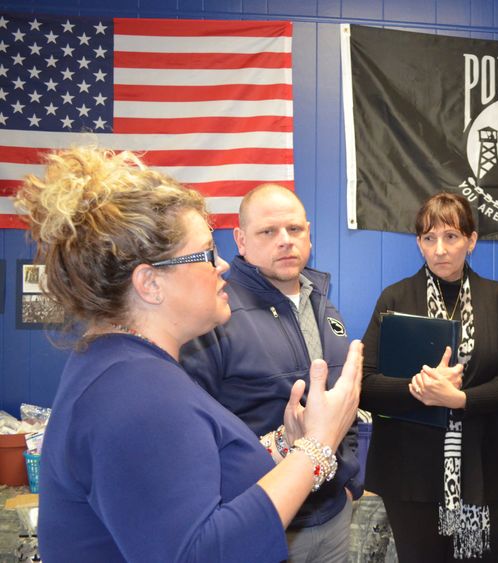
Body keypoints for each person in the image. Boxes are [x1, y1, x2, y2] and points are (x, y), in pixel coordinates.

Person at [15, 147, 363, 562]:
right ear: (150, 284)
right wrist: (317, 447)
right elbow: (202, 552)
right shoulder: (135, 393)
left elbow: (194, 480)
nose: (223, 268)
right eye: (204, 254)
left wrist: (288, 446)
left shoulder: (129, 367)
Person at [180, 183, 361, 563]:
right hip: (264, 523)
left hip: (332, 517)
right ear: (241, 240)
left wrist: (349, 481)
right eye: (268, 232)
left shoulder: (323, 305)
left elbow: (344, 403)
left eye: (294, 230)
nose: (285, 241)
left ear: (308, 233)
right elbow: (193, 434)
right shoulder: (217, 312)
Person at [359, 192, 498, 562]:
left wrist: (460, 400)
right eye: (428, 238)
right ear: (419, 243)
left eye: (451, 237)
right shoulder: (395, 298)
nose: (440, 249)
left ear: (472, 240)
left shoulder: (496, 297)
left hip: (483, 472)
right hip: (410, 475)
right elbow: (365, 386)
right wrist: (418, 388)